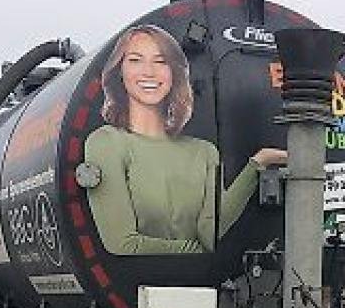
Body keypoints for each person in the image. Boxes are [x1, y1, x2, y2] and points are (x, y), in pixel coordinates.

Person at [81, 24, 285, 255]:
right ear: (120, 71)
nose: (149, 71)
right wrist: (197, 252)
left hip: (205, 283)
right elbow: (122, 245)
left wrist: (258, 164)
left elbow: (210, 233)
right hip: (139, 283)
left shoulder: (204, 151)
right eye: (135, 60)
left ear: (174, 73)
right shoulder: (106, 142)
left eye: (161, 61)